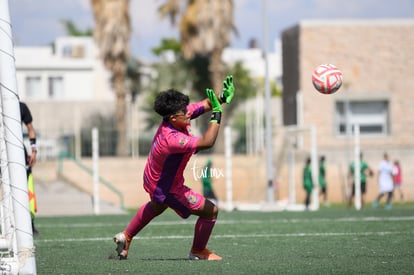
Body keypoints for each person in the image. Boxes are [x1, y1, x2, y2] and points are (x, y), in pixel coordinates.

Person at [113, 75, 234, 261]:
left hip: (154, 178)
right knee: (210, 211)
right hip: (168, 186)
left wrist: (222, 98)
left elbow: (204, 104)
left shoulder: (175, 117)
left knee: (157, 205)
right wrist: (217, 114)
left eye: (186, 108)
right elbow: (207, 142)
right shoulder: (172, 139)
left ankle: (126, 237)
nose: (188, 112)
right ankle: (198, 250)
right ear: (172, 117)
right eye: (183, 111)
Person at [19, 101, 40, 236]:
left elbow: (30, 128)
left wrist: (33, 150)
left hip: (19, 152)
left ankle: (30, 224)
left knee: (27, 188)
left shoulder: (20, 106)